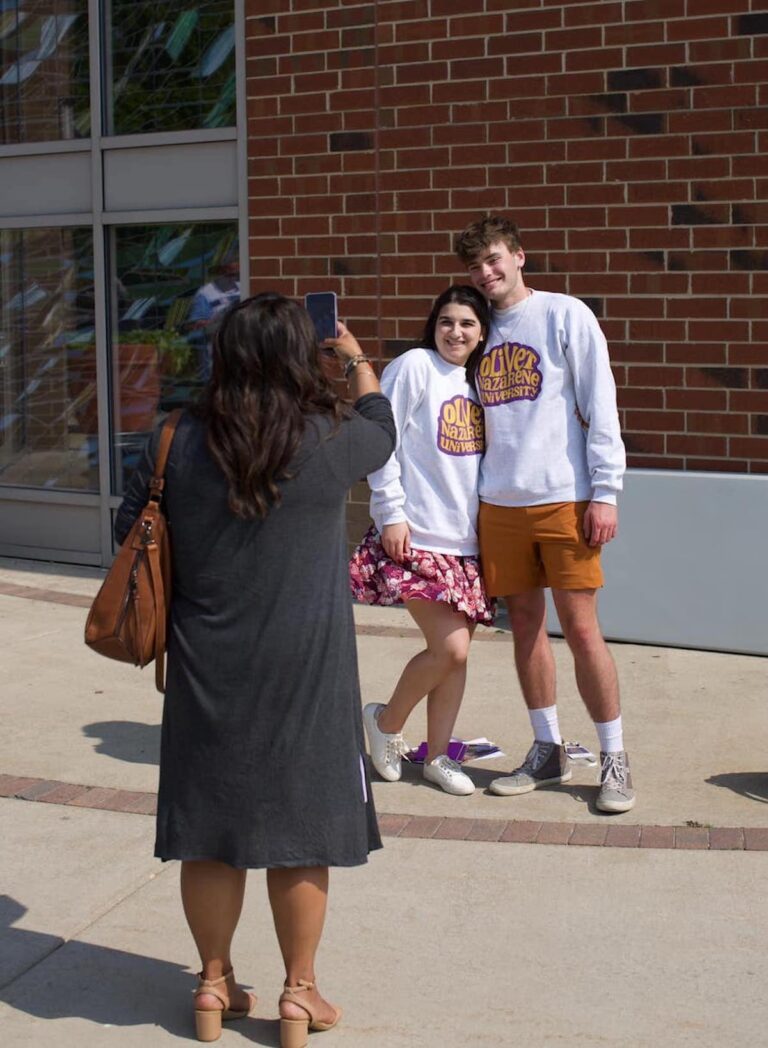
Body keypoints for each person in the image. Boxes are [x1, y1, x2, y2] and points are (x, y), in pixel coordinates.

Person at [114, 292, 395, 1045]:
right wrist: (354, 358)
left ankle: (213, 984)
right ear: (301, 355)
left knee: (209, 830)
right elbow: (383, 425)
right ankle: (299, 994)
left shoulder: (175, 436)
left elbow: (128, 531)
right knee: (303, 831)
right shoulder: (332, 434)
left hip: (206, 663)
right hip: (308, 666)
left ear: (224, 353)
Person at [454, 215, 634, 814]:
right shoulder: (475, 329)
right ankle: (547, 749)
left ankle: (614, 758)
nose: (486, 272)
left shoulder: (563, 314)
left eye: (494, 259)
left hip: (564, 497)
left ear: (519, 256)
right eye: (476, 266)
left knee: (582, 630)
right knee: (525, 628)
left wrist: (605, 491)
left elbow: (600, 402)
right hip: (499, 502)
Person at [350, 285, 495, 797]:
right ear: (433, 324)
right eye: (446, 321)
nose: (455, 332)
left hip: (467, 543)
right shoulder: (415, 366)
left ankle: (437, 757)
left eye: (468, 324)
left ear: (482, 333)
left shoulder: (480, 382)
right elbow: (381, 442)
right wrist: (391, 513)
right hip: (417, 534)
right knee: (450, 648)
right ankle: (386, 722)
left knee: (455, 657)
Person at [185, 259, 241, 380]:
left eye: (237, 274)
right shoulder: (205, 294)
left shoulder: (243, 288)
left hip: (237, 346)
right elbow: (195, 325)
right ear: (220, 272)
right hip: (214, 348)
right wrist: (217, 322)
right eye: (229, 274)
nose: (234, 278)